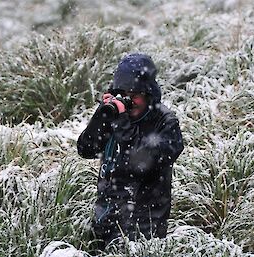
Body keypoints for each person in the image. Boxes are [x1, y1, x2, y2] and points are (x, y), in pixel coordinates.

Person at [77, 53, 184, 249]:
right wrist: (101, 117)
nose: (129, 101)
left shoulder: (165, 122)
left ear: (149, 93)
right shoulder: (116, 116)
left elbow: (142, 164)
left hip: (143, 226)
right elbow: (86, 149)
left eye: (135, 95)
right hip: (105, 217)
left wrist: (122, 123)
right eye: (124, 95)